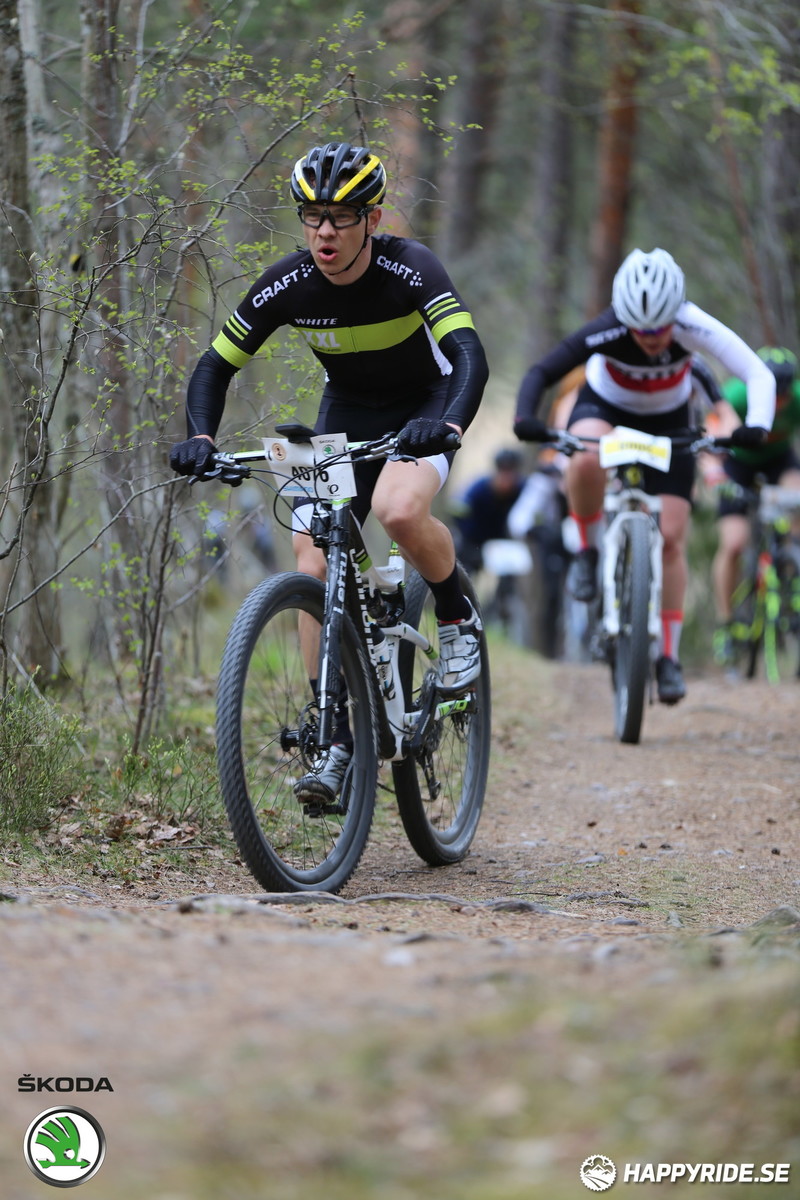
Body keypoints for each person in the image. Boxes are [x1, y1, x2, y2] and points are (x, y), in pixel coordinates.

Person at [170, 141, 489, 801]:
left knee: (399, 509)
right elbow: (215, 365)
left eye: (341, 218)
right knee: (311, 557)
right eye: (312, 216)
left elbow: (467, 354)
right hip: (346, 411)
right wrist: (201, 437)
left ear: (372, 219)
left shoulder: (411, 268)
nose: (324, 232)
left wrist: (450, 426)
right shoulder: (289, 282)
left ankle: (458, 618)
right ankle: (336, 733)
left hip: (425, 406)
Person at [514, 246, 775, 704]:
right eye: (640, 329)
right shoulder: (608, 326)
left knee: (671, 538)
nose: (651, 338)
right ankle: (588, 550)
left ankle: (668, 657)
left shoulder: (693, 323)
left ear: (677, 314)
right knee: (584, 456)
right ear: (623, 317)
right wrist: (525, 418)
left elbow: (757, 372)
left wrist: (758, 425)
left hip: (670, 419)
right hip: (605, 407)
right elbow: (542, 371)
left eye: (661, 328)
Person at [711, 346, 800, 666]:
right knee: (734, 543)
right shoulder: (737, 394)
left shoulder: (796, 398)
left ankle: (790, 577)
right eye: (774, 396)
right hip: (737, 465)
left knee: (795, 510)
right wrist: (714, 472)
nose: (778, 404)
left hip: (779, 462)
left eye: (784, 397)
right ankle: (726, 624)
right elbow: (712, 430)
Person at [448, 447, 526, 574]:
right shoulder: (479, 488)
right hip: (473, 540)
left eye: (510, 472)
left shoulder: (523, 489)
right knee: (464, 564)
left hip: (504, 541)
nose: (506, 478)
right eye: (503, 471)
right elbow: (457, 509)